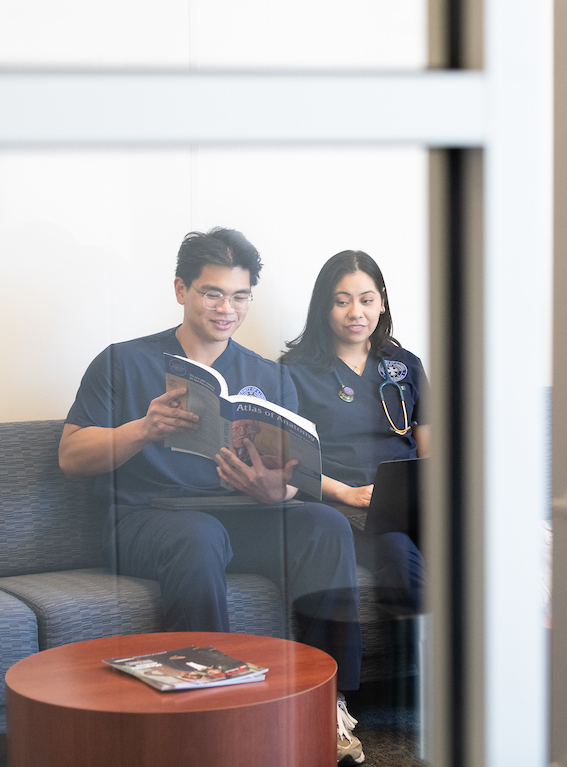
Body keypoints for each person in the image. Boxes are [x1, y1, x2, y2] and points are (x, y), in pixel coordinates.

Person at [58, 228, 366, 766]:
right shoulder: (122, 361)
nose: (227, 308)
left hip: (239, 514)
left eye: (240, 296)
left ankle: (330, 704)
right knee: (199, 536)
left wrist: (277, 489)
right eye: (212, 293)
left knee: (325, 525)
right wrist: (143, 429)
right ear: (181, 290)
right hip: (145, 517)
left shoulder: (269, 374)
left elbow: (294, 474)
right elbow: (70, 456)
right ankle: (210, 716)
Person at [280, 250, 429, 615]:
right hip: (342, 510)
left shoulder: (405, 364)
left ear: (381, 301)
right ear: (323, 307)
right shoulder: (292, 372)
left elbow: (430, 452)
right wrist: (347, 493)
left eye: (366, 300)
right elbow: (289, 462)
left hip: (411, 506)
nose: (355, 313)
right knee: (400, 555)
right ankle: (428, 666)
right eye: (341, 302)